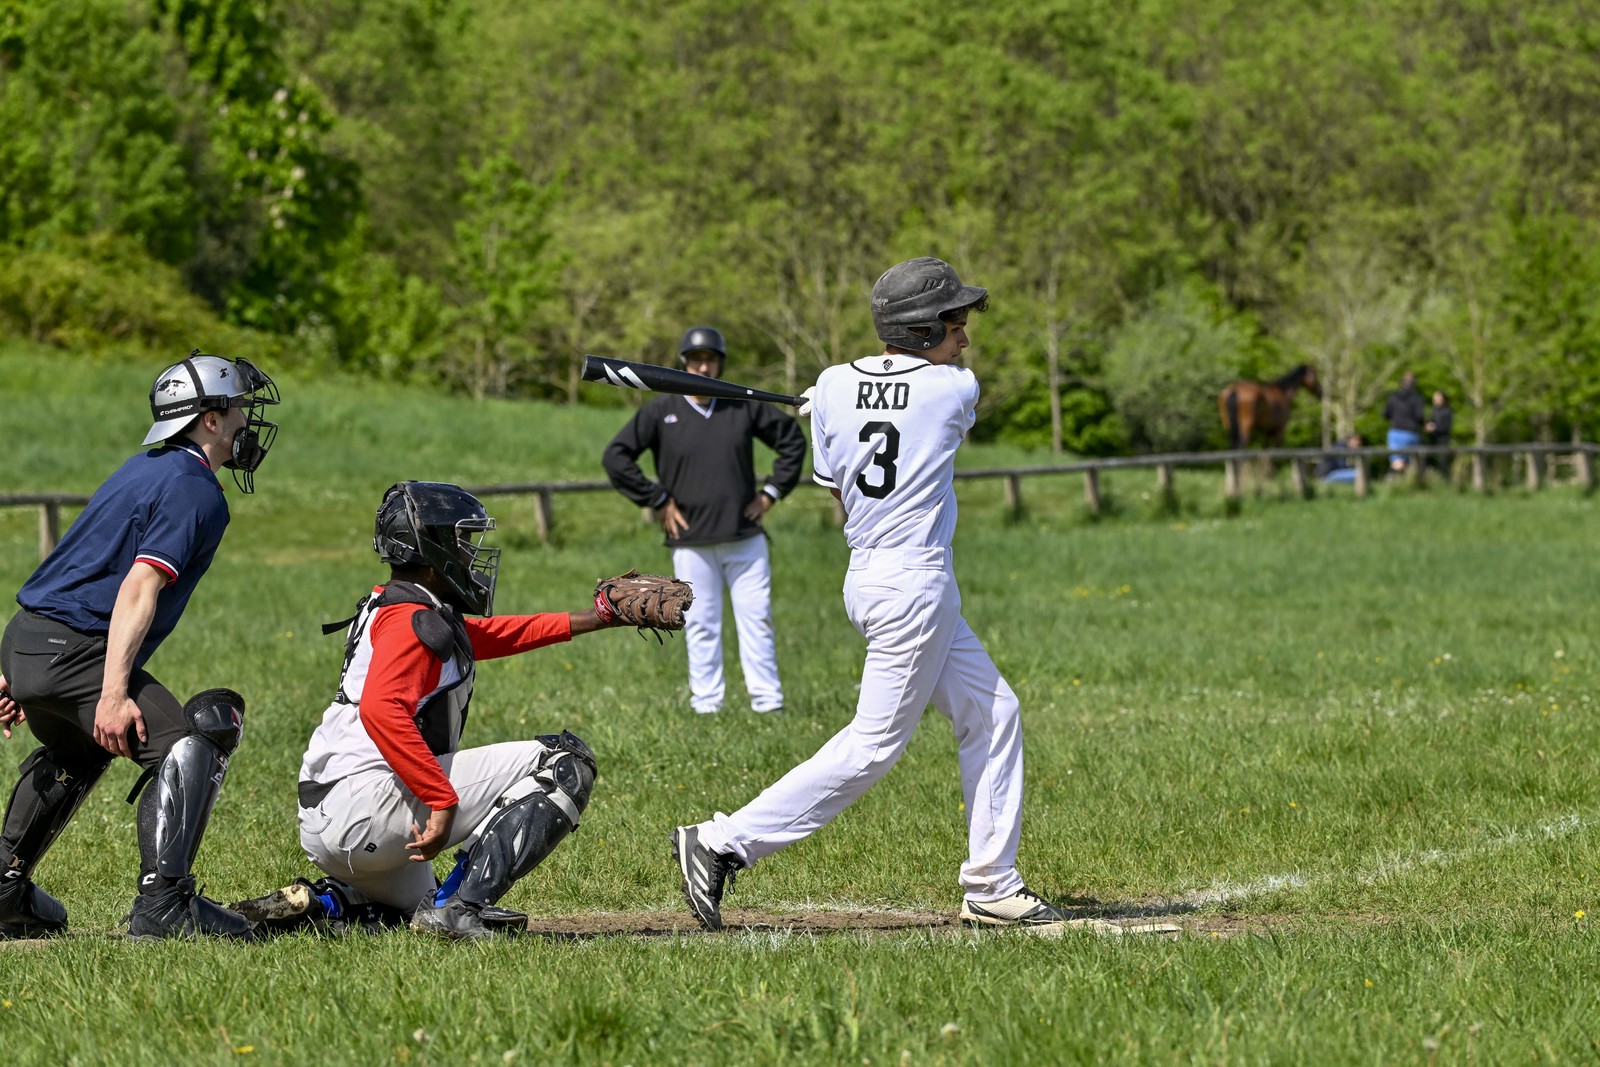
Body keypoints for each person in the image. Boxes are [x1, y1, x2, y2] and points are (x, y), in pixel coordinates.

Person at [670, 257, 1067, 931]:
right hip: (912, 583)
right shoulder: (953, 390)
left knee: (994, 711)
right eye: (954, 324)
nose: (964, 340)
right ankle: (722, 840)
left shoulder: (829, 385)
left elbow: (838, 484)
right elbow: (915, 404)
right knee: (873, 745)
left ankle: (993, 882)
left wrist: (829, 401)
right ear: (919, 329)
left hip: (871, 576)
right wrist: (837, 398)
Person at [232, 482, 627, 940]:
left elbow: (493, 635)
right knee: (564, 762)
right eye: (462, 541)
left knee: (407, 912)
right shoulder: (412, 620)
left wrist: (598, 618)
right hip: (364, 806)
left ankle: (325, 901)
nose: (469, 555)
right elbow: (382, 711)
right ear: (431, 545)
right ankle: (461, 908)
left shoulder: (399, 605)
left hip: (334, 817)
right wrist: (440, 799)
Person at [0, 351, 280, 940]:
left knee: (80, 751)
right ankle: (165, 905)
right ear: (209, 418)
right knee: (189, 740)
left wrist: (17, 670)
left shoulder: (143, 466)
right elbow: (137, 588)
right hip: (74, 650)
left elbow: (71, 569)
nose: (244, 426)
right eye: (237, 412)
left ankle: (4, 889)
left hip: (29, 640)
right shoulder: (195, 489)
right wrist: (110, 693)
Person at [603, 327, 806, 715]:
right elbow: (617, 457)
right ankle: (707, 704)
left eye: (710, 359)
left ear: (719, 364)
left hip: (744, 538)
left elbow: (792, 441)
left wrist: (771, 494)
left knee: (757, 619)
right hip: (690, 539)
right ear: (683, 364)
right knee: (700, 623)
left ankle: (768, 703)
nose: (702, 366)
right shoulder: (661, 411)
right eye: (696, 359)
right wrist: (657, 499)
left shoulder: (740, 404)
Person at [1383, 371, 1426, 474]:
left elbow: (1385, 414)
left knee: (1397, 462)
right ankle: (1408, 485)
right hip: (1411, 433)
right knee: (1412, 463)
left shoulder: (1393, 397)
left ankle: (1393, 483)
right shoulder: (1417, 398)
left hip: (1396, 432)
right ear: (1414, 383)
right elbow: (1419, 417)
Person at [1426, 390, 1454, 476]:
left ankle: (1445, 482)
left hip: (1443, 441)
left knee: (1442, 463)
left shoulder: (1447, 411)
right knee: (1427, 460)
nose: (1436, 400)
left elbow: (1447, 427)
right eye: (1434, 398)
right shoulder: (1434, 410)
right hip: (1432, 440)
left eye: (1438, 398)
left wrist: (1435, 428)